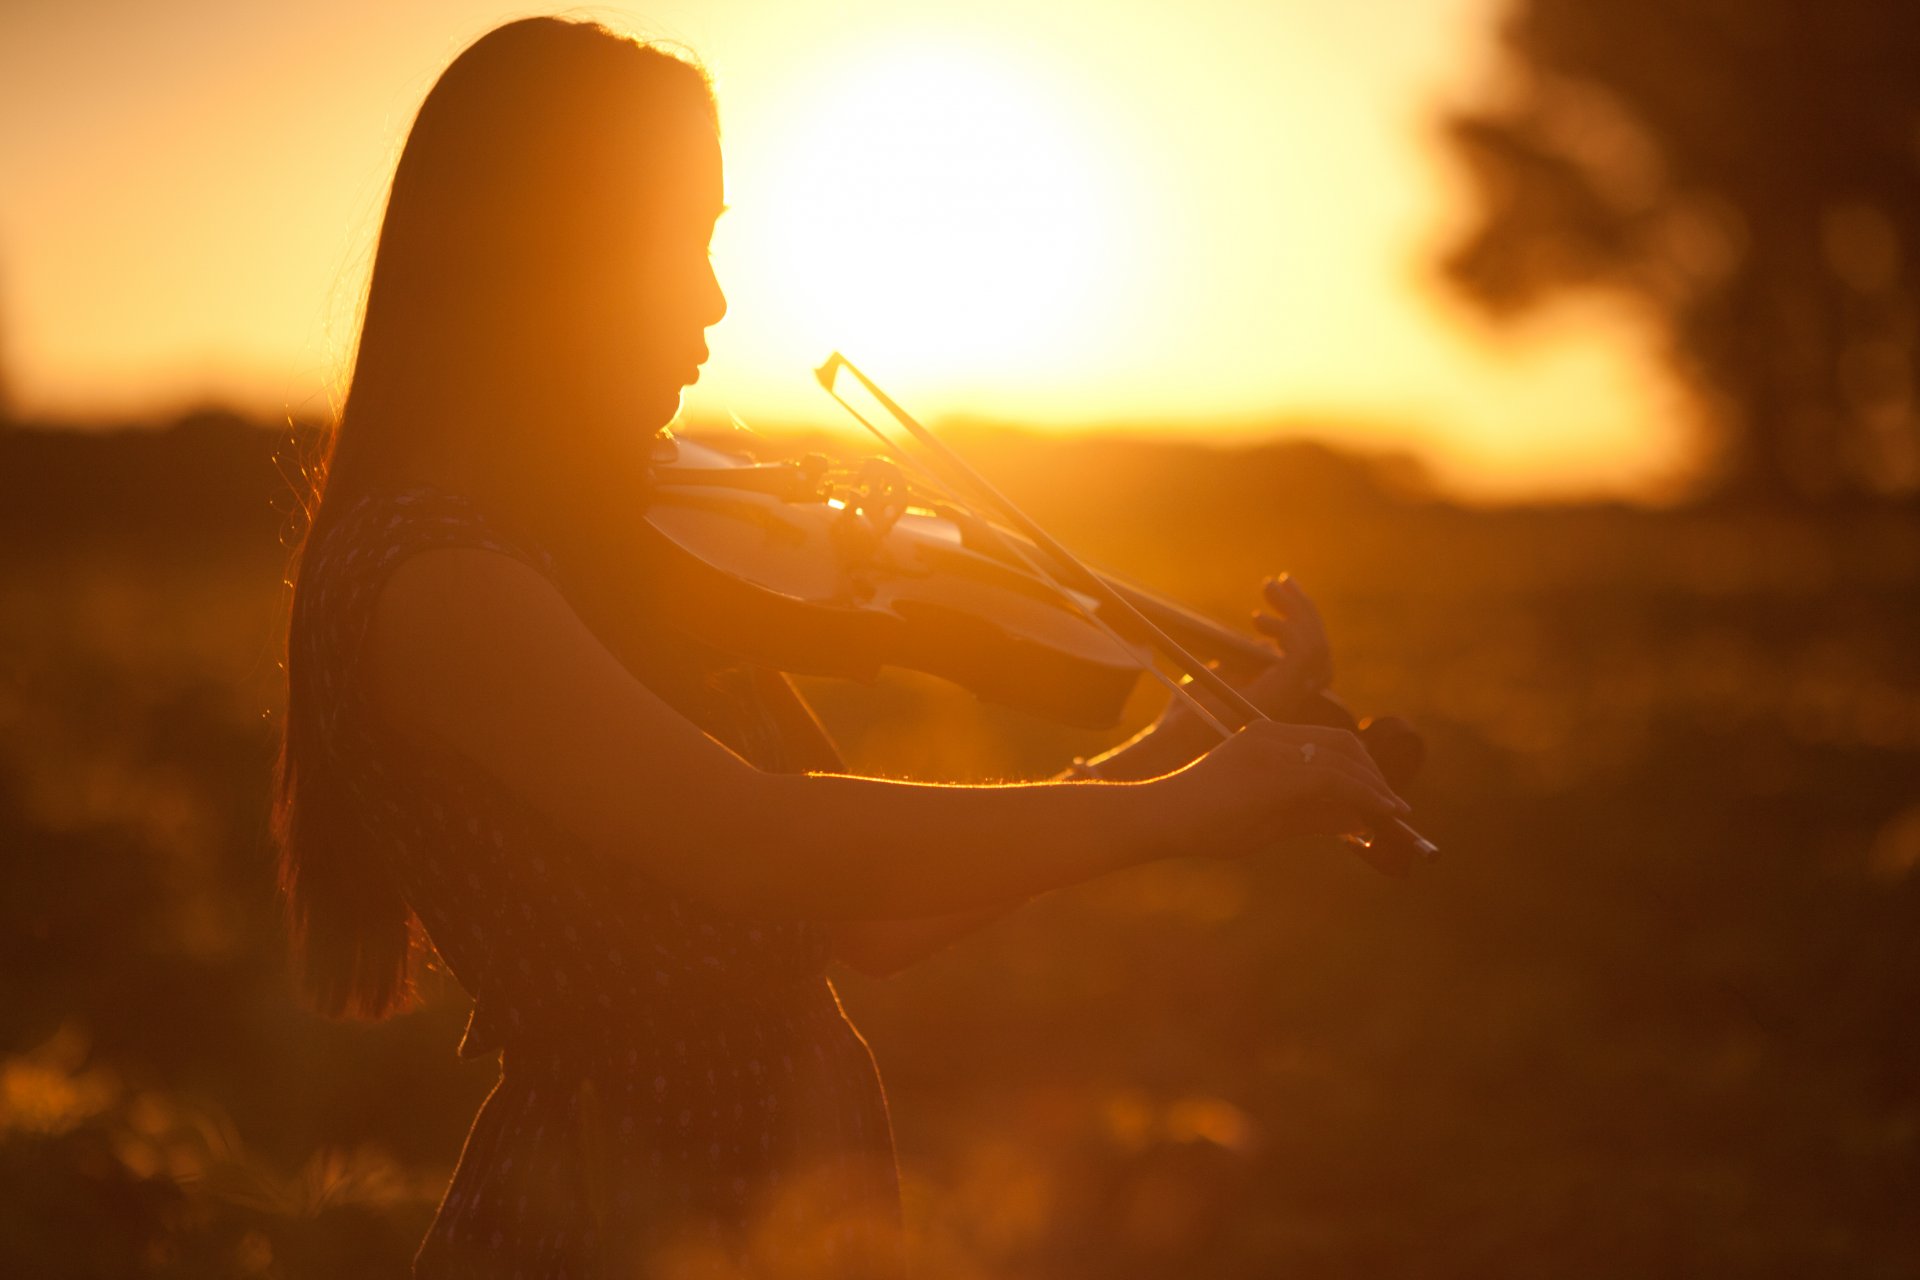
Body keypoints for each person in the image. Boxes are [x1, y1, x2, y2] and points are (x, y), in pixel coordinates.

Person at [273, 16, 1413, 1279]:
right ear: (550, 243)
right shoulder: (437, 578)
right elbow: (764, 838)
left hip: (768, 1183)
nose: (714, 297)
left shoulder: (592, 546)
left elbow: (868, 917)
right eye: (681, 236)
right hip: (618, 1205)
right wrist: (1180, 810)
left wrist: (1190, 737)